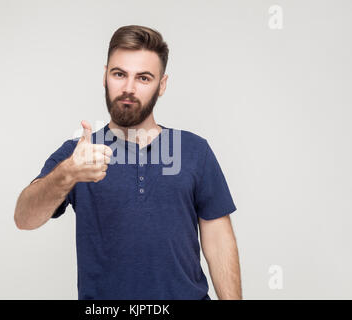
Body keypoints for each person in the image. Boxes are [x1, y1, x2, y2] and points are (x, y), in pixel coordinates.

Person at [14, 25, 242, 300]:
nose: (128, 88)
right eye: (119, 74)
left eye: (144, 78)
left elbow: (219, 241)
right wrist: (66, 174)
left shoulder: (195, 151)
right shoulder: (78, 154)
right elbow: (24, 218)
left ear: (162, 85)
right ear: (105, 76)